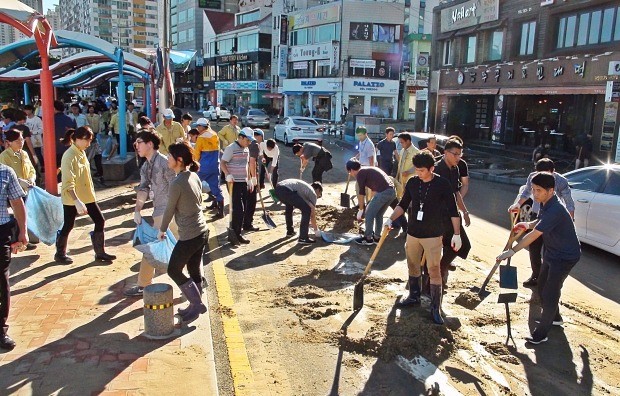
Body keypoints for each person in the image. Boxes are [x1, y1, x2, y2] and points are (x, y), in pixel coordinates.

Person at [497, 172, 580, 345]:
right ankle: (555, 318)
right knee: (542, 285)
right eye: (533, 189)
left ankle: (541, 333)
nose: (535, 194)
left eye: (538, 190)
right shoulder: (546, 203)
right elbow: (539, 222)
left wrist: (512, 251)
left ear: (551, 190)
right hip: (552, 252)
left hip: (565, 256)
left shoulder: (556, 209)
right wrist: (527, 224)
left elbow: (535, 235)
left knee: (550, 292)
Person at [384, 151, 461, 324]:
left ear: (431, 168)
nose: (418, 174)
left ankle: (435, 307)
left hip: (433, 235)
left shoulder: (442, 184)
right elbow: (403, 205)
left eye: (422, 171)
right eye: (417, 170)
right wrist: (390, 219)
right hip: (413, 233)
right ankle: (414, 296)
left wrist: (457, 234)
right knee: (412, 265)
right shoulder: (412, 182)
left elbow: (453, 211)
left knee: (434, 269)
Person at [158, 141, 209, 323]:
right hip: (202, 231)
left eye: (170, 156)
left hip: (190, 235)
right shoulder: (193, 175)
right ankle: (195, 305)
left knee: (174, 270)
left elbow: (169, 210)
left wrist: (162, 230)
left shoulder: (177, 183)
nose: (167, 159)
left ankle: (196, 305)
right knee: (194, 268)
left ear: (178, 160)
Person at [124, 131, 178, 297]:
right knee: (177, 249)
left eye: (139, 142)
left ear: (150, 144)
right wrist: (137, 210)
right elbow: (143, 188)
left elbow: (176, 186)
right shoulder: (146, 166)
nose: (136, 146)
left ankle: (143, 284)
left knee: (154, 249)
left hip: (170, 213)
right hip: (160, 212)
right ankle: (196, 281)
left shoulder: (164, 162)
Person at [508, 158, 574, 287]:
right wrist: (517, 204)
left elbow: (569, 203)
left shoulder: (561, 181)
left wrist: (569, 223)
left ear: (553, 171)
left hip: (552, 218)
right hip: (537, 214)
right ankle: (536, 275)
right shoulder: (533, 177)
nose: (541, 177)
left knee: (549, 250)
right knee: (534, 248)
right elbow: (526, 191)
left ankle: (546, 279)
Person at [56, 127, 116, 263]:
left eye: (90, 140)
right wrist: (76, 201)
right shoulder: (69, 156)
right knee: (68, 224)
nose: (89, 144)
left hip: (87, 196)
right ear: (77, 139)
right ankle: (60, 254)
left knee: (100, 220)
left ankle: (100, 252)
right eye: (87, 140)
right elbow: (68, 182)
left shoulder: (81, 152)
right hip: (73, 198)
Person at [434, 139, 471, 290]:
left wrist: (465, 211)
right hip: (438, 217)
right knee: (435, 249)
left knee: (463, 245)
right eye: (455, 154)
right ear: (445, 153)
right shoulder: (436, 169)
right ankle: (433, 279)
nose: (458, 158)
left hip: (452, 215)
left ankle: (442, 267)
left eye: (460, 154)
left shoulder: (455, 169)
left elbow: (456, 192)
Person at [0, 163, 29, 350]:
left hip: (1, 232)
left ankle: (1, 330)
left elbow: (17, 203)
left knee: (2, 282)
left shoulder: (5, 172)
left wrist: (23, 232)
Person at [346, 159, 396, 245]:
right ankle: (377, 238)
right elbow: (374, 190)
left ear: (351, 170)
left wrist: (361, 210)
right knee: (378, 214)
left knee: (369, 213)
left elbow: (361, 193)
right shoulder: (367, 170)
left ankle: (368, 238)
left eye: (349, 172)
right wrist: (370, 202)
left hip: (384, 192)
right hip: (392, 192)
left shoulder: (360, 173)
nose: (350, 174)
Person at [220, 127, 254, 245]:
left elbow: (247, 164)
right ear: (241, 137)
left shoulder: (246, 149)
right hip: (233, 183)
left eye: (250, 141)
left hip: (243, 181)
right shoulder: (231, 148)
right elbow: (223, 163)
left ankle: (238, 233)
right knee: (238, 209)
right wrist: (227, 174)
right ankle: (235, 234)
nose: (249, 143)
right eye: (247, 140)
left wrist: (249, 179)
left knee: (243, 208)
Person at [274, 179, 323, 244]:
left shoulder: (304, 189)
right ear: (318, 190)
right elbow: (312, 214)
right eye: (319, 194)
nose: (318, 197)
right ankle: (303, 237)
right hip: (286, 190)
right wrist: (316, 230)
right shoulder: (313, 193)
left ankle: (290, 231)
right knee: (307, 210)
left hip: (278, 189)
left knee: (289, 206)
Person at [193, 118, 224, 219]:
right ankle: (220, 211)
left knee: (194, 185)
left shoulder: (201, 137)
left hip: (203, 167)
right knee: (216, 188)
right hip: (215, 166)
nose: (197, 128)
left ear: (202, 126)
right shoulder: (215, 135)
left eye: (198, 126)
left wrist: (194, 164)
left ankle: (194, 209)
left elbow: (197, 153)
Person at [242, 129, 265, 232]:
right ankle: (247, 224)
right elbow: (252, 162)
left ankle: (242, 222)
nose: (261, 140)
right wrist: (254, 178)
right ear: (257, 136)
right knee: (251, 202)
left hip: (241, 176)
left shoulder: (241, 143)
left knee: (244, 201)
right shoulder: (255, 144)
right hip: (250, 177)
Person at [54, 100, 77, 167]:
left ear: (54, 108)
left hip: (54, 149)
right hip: (69, 148)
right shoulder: (71, 119)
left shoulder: (50, 119)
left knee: (57, 170)